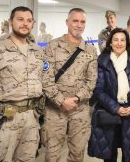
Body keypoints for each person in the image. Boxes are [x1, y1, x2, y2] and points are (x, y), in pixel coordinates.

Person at [0, 6, 46, 162]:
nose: (25, 24)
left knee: (27, 158)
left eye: (29, 20)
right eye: (20, 19)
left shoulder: (38, 52)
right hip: (6, 116)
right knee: (2, 158)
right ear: (11, 21)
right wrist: (2, 92)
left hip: (32, 116)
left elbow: (43, 78)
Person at [41, 8, 98, 162]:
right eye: (75, 21)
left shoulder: (90, 50)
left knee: (77, 154)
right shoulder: (52, 46)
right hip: (55, 109)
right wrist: (61, 101)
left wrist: (77, 99)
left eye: (82, 22)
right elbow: (46, 79)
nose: (79, 25)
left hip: (80, 110)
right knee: (52, 154)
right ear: (67, 22)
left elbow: (91, 81)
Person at [88, 28, 130, 162]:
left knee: (128, 156)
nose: (119, 43)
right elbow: (98, 90)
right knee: (109, 156)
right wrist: (116, 108)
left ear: (127, 43)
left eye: (122, 40)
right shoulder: (102, 62)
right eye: (116, 40)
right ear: (110, 43)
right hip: (109, 113)